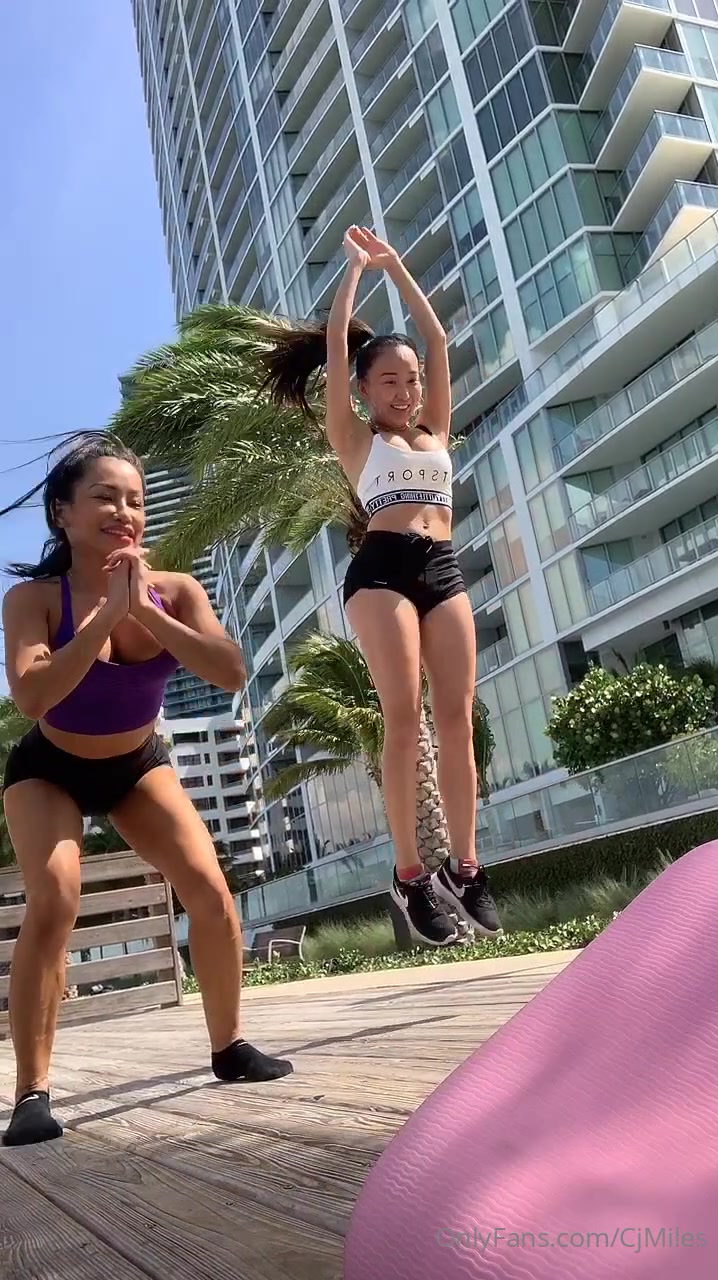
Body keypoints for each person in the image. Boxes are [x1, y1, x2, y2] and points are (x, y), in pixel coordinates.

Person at [0, 438, 292, 1148]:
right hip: (49, 768)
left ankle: (229, 1047)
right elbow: (33, 696)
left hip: (136, 763)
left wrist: (145, 610)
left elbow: (229, 671)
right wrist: (104, 616)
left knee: (210, 889)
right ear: (62, 513)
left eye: (134, 500)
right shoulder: (32, 600)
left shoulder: (178, 590)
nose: (124, 512)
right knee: (56, 897)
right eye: (104, 497)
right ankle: (32, 1092)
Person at [262, 225, 501, 948]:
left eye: (412, 380)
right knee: (404, 716)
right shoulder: (356, 437)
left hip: (443, 567)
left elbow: (438, 339)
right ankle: (409, 873)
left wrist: (398, 268)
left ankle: (465, 868)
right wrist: (355, 275)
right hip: (381, 573)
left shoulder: (435, 432)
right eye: (389, 381)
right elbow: (338, 345)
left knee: (456, 718)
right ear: (364, 390)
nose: (406, 389)